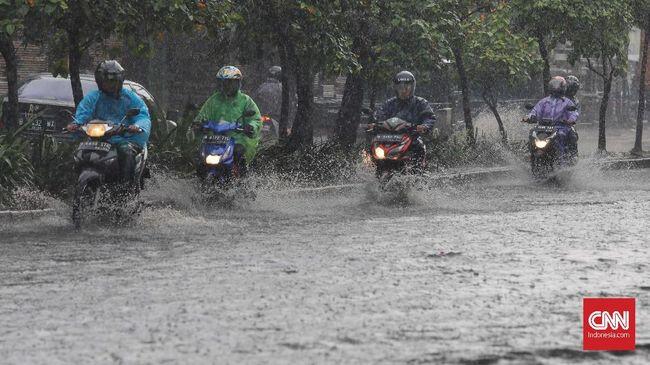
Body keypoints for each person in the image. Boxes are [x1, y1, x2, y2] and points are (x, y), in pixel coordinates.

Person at [67, 60, 151, 187]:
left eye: (113, 81)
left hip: (123, 138)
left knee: (126, 152)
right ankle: (73, 185)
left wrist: (137, 126)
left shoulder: (131, 98)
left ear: (120, 81)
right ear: (100, 82)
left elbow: (142, 115)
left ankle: (125, 192)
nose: (110, 85)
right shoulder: (93, 97)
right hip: (99, 138)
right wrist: (76, 124)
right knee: (80, 152)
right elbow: (83, 112)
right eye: (106, 81)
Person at [193, 65, 262, 176]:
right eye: (224, 82)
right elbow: (203, 115)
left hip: (237, 139)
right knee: (200, 157)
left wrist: (250, 127)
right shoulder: (214, 100)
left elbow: (256, 119)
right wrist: (198, 124)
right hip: (215, 140)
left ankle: (243, 182)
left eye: (230, 82)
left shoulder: (246, 101)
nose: (227, 86)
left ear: (237, 83)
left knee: (239, 153)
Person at [372, 70, 436, 170]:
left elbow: (429, 117)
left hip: (412, 137)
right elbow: (380, 114)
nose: (404, 90)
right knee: (373, 146)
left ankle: (419, 172)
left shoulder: (420, 103)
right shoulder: (390, 103)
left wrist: (424, 126)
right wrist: (375, 123)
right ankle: (372, 170)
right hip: (390, 137)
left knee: (419, 147)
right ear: (396, 88)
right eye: (400, 87)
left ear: (412, 87)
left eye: (407, 87)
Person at [523, 76, 578, 162]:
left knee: (566, 135)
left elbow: (573, 113)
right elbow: (535, 110)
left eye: (558, 86)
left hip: (560, 127)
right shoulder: (544, 101)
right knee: (532, 132)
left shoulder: (567, 102)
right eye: (554, 85)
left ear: (563, 87)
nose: (555, 88)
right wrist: (529, 117)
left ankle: (566, 158)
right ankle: (530, 154)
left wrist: (570, 120)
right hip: (543, 127)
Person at [252, 66, 283, 144]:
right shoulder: (282, 88)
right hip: (276, 119)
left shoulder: (261, 87)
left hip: (260, 118)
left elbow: (253, 102)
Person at [565, 75, 580, 157]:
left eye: (574, 88)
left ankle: (573, 156)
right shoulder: (557, 97)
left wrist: (570, 120)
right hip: (553, 123)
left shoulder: (575, 101)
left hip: (567, 125)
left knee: (573, 136)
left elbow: (576, 113)